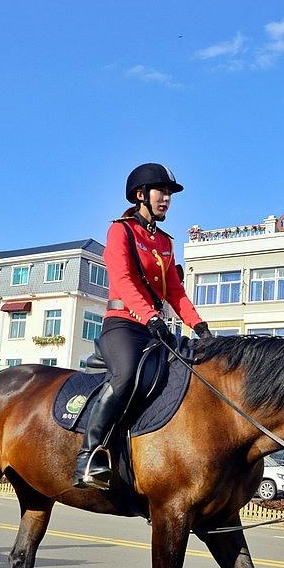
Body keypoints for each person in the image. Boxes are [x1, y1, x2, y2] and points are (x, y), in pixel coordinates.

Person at [73, 163, 211, 489]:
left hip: (155, 328)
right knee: (125, 377)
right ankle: (88, 457)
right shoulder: (120, 231)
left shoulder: (165, 241)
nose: (166, 198)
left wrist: (200, 326)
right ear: (140, 195)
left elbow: (175, 292)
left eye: (170, 194)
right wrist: (149, 316)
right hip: (123, 325)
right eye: (161, 191)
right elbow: (122, 279)